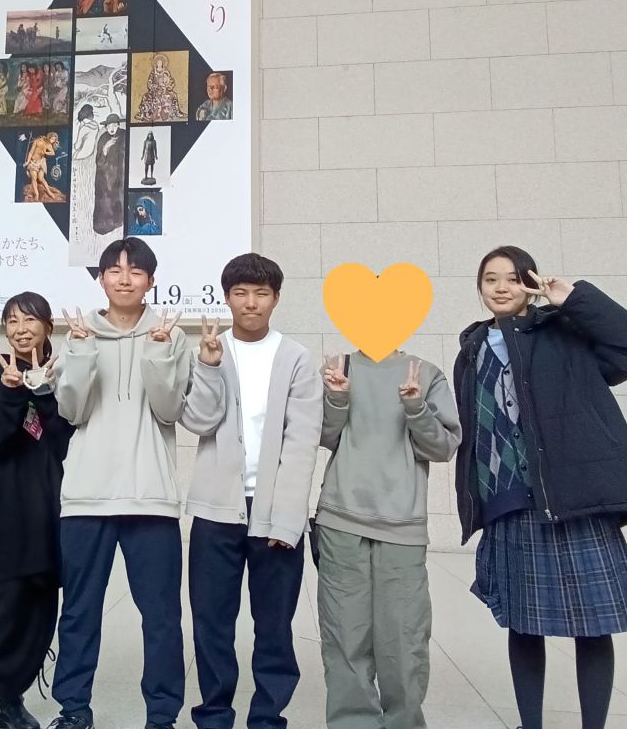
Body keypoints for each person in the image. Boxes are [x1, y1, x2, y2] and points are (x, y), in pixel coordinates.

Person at [454, 246, 627, 729]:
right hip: (509, 504)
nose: (500, 287)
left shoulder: (562, 331)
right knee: (523, 625)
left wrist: (573, 298)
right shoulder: (472, 349)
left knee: (593, 625)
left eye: (511, 278)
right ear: (480, 287)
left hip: (571, 499)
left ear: (529, 283)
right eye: (490, 279)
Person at [48, 237, 190, 729]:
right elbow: (72, 411)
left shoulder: (171, 335)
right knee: (79, 611)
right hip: (86, 498)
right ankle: (73, 710)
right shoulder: (79, 332)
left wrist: (159, 353)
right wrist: (81, 351)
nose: (124, 278)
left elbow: (169, 410)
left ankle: (162, 715)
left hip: (151, 497)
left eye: (135, 270)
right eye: (114, 269)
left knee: (162, 617)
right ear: (102, 278)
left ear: (151, 280)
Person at [180, 254, 321, 729]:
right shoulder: (211, 349)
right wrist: (208, 367)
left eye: (261, 293)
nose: (251, 302)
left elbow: (302, 442)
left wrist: (288, 516)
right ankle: (214, 715)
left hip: (274, 510)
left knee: (274, 625)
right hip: (216, 511)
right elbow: (198, 421)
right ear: (227, 298)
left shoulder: (295, 357)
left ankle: (267, 716)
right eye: (240, 293)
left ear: (276, 298)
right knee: (211, 623)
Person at [315, 338, 461, 729]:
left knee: (404, 639)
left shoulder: (425, 373)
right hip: (341, 520)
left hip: (402, 526)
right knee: (344, 638)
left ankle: (403, 722)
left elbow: (443, 447)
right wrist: (337, 398)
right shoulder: (339, 365)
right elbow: (324, 437)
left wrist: (416, 407)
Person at [0, 292, 75, 729]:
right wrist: (12, 392)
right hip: (1, 507)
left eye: (29, 320)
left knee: (37, 605)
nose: (20, 329)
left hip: (44, 505)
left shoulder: (61, 373)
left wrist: (41, 389)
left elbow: (60, 440)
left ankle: (11, 703)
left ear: (47, 326)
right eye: (12, 321)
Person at [92, 114, 125, 235]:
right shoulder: (103, 138)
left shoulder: (124, 135)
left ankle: (118, 222)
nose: (112, 128)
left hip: (120, 174)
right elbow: (99, 162)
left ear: (118, 125)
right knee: (105, 201)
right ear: (106, 127)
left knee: (119, 198)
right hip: (104, 177)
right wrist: (105, 149)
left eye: (114, 125)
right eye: (109, 126)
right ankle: (104, 226)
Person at [135, 54, 186, 123]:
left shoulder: (166, 71)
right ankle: (144, 113)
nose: (159, 63)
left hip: (165, 89)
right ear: (156, 63)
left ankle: (177, 112)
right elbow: (149, 83)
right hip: (155, 90)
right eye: (158, 62)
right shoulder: (153, 72)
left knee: (174, 95)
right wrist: (155, 87)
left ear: (163, 63)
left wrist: (167, 86)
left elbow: (171, 81)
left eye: (160, 62)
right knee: (145, 96)